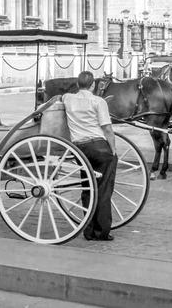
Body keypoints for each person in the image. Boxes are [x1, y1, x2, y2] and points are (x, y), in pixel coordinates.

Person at [63, 70, 117, 241]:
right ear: (93, 85)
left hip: (79, 149)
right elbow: (107, 129)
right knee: (103, 189)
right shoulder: (98, 101)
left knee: (88, 188)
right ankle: (101, 231)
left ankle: (88, 230)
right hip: (99, 147)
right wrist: (113, 149)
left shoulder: (68, 99)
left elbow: (59, 97)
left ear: (78, 85)